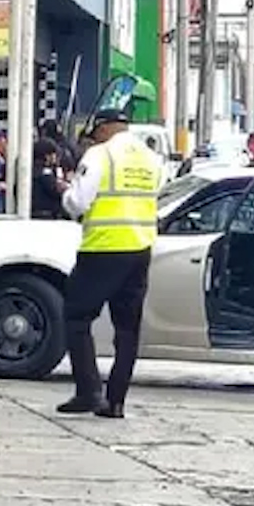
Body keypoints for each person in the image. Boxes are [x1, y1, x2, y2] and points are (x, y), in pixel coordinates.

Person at [55, 107, 165, 418]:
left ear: (104, 129)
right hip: (140, 248)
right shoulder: (151, 159)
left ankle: (88, 392)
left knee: (76, 316)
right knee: (127, 329)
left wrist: (66, 193)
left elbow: (78, 202)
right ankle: (116, 401)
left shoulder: (100, 155)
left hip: (102, 248)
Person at [30, 138, 67, 220]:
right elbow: (55, 190)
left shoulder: (32, 170)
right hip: (45, 215)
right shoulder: (44, 172)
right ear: (47, 156)